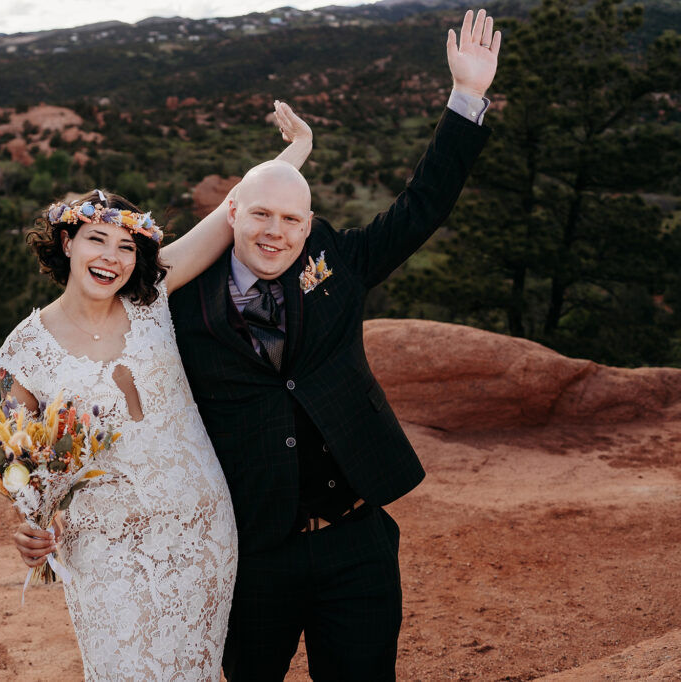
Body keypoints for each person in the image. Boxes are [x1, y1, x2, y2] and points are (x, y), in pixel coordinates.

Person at [166, 9, 501, 680]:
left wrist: (466, 98)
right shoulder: (177, 308)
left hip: (357, 544)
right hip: (251, 558)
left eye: (290, 220)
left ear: (308, 226)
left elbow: (421, 205)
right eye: (259, 214)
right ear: (230, 212)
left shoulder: (338, 265)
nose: (274, 232)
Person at [0, 102, 313, 680]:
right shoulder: (26, 350)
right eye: (97, 240)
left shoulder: (153, 301)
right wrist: (31, 525)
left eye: (126, 248)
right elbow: (18, 460)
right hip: (104, 544)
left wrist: (296, 153)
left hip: (201, 526)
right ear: (67, 243)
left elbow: (231, 212)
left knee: (195, 669)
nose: (111, 259)